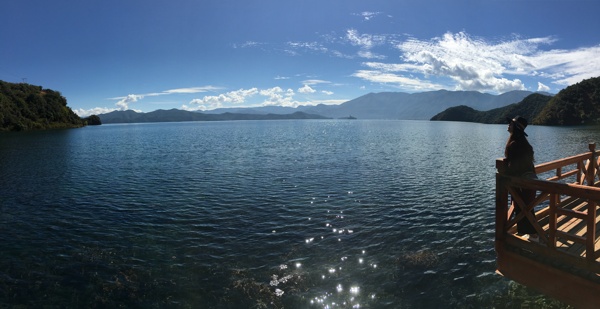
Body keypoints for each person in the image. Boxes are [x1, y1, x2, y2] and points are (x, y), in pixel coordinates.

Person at [504, 116, 538, 241]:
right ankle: (533, 234)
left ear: (516, 128)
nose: (508, 125)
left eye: (510, 124)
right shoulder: (524, 144)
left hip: (522, 183)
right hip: (529, 181)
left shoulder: (514, 145)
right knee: (527, 208)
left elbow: (514, 167)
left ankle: (533, 235)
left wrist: (505, 172)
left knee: (523, 208)